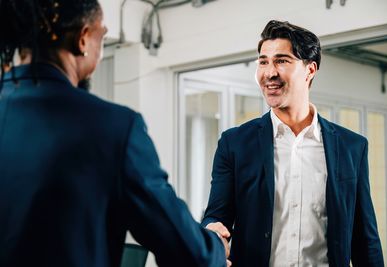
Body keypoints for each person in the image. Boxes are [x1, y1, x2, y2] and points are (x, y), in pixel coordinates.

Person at [0, 0, 228, 266]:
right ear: (83, 39)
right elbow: (188, 252)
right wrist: (215, 245)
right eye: (102, 35)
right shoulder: (113, 127)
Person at [202, 20, 384, 267]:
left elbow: (365, 240)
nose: (269, 72)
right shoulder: (234, 144)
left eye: (282, 60)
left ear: (310, 70)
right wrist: (212, 234)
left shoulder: (352, 147)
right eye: (263, 61)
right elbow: (216, 217)